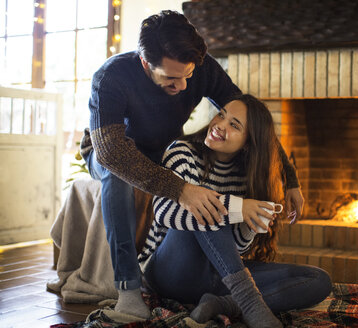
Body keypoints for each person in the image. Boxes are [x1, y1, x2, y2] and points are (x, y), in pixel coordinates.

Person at [80, 10, 304, 320]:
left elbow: (253, 122)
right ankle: (129, 289)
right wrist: (182, 190)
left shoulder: (199, 69)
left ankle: (231, 299)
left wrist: (289, 178)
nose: (184, 86)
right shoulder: (111, 78)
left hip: (162, 148)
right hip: (111, 151)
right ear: (146, 63)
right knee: (118, 176)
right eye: (171, 78)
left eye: (187, 75)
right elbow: (111, 153)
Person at [139, 94, 332, 328]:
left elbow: (235, 249)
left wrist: (250, 225)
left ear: (248, 142)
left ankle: (225, 304)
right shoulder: (182, 152)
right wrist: (238, 207)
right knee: (207, 207)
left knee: (318, 279)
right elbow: (163, 212)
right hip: (170, 272)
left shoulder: (245, 175)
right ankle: (250, 302)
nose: (220, 125)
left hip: (218, 277)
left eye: (234, 125)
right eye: (221, 115)